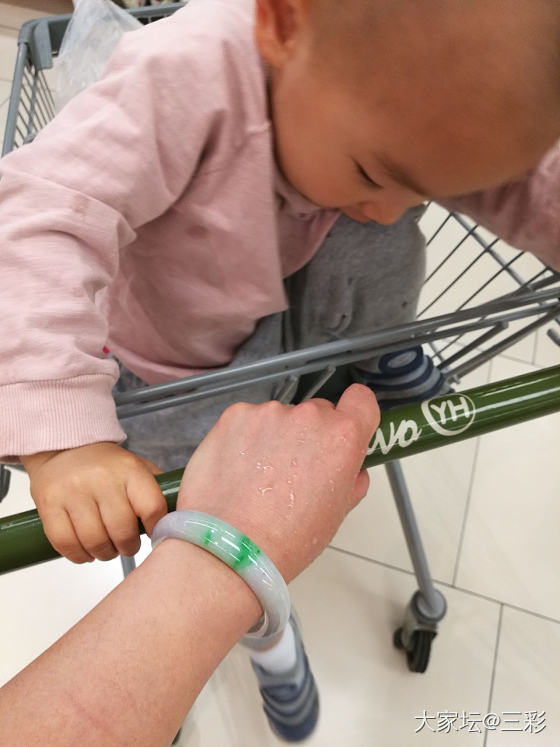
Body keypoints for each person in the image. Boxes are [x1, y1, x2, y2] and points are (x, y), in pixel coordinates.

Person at [1, 0, 560, 739]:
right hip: (174, 350)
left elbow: (522, 181)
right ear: (283, 26)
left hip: (286, 294)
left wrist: (405, 178)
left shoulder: (377, 99)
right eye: (374, 171)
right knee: (219, 505)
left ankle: (378, 348)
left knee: (377, 236)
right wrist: (64, 442)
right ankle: (263, 626)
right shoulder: (184, 75)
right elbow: (44, 214)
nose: (394, 207)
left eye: (426, 191)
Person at [0, 385, 379, 746]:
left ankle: (267, 648)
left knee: (254, 598)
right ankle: (198, 668)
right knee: (245, 593)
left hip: (255, 398)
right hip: (130, 418)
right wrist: (56, 447)